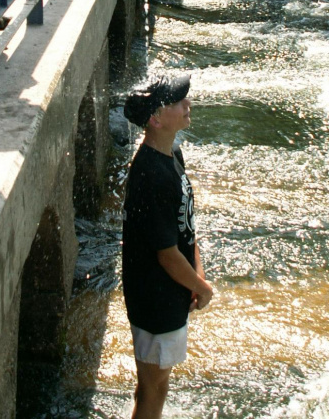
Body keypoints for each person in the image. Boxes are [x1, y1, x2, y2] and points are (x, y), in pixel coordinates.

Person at [122, 73, 213, 419]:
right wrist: (202, 288)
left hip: (171, 292)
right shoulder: (150, 174)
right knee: (153, 388)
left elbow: (184, 226)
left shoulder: (172, 155)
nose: (187, 104)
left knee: (155, 382)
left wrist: (196, 275)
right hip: (154, 297)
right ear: (156, 119)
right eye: (177, 101)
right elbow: (166, 254)